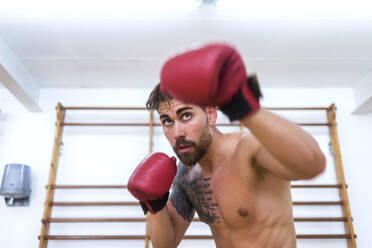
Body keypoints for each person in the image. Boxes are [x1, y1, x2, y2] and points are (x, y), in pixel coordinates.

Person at [127, 43, 326, 248]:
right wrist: (155, 205)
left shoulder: (249, 149)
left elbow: (313, 163)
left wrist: (246, 108)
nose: (177, 132)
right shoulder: (187, 174)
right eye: (167, 121)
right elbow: (165, 244)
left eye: (186, 115)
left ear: (211, 115)